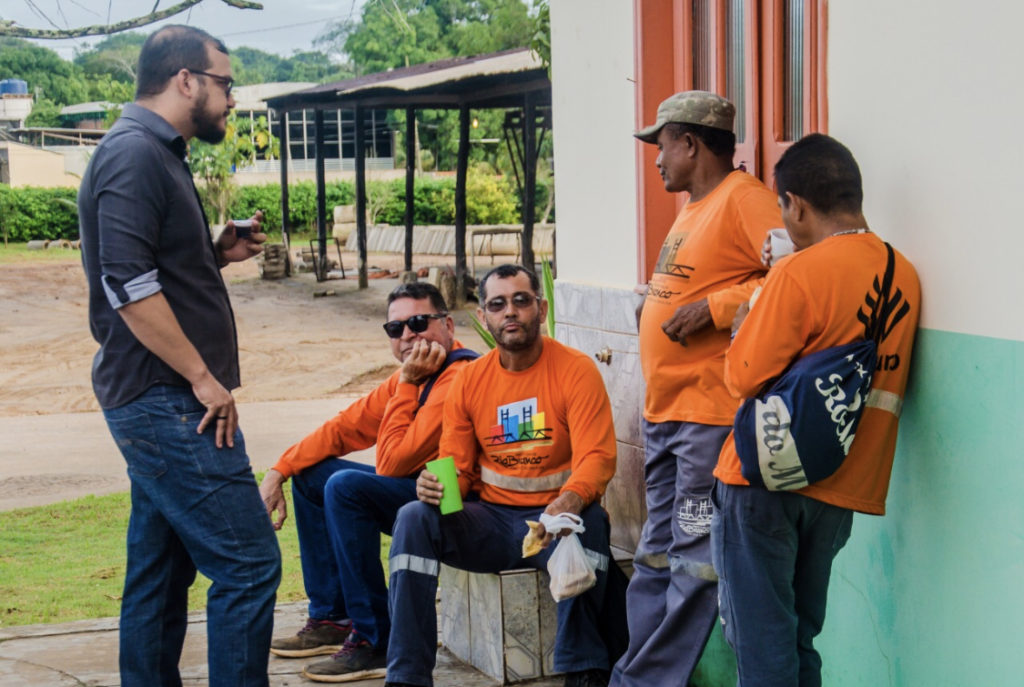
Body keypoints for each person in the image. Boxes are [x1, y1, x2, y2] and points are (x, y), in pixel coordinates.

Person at [78, 25, 281, 687]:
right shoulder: (133, 154)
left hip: (166, 400)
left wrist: (215, 251)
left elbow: (151, 269)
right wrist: (203, 377)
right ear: (186, 79)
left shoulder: (158, 152)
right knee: (249, 564)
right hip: (170, 400)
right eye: (225, 83)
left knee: (159, 575)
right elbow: (128, 286)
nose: (231, 99)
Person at [711, 133, 920, 686]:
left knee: (760, 648)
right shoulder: (905, 274)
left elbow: (742, 376)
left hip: (764, 485)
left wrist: (752, 307)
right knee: (799, 640)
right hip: (842, 484)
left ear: (795, 205)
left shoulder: (797, 274)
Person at [612, 91, 783, 687]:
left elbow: (793, 276)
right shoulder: (693, 208)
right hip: (666, 413)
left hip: (706, 416)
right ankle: (639, 669)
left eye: (661, 146)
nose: (656, 160)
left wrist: (716, 307)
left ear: (690, 143)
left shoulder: (747, 199)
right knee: (654, 558)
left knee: (692, 561)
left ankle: (640, 682)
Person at [380, 264, 617, 687]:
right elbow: (459, 468)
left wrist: (572, 499)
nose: (511, 312)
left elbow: (596, 457)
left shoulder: (576, 370)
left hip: (553, 523)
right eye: (498, 304)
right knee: (413, 517)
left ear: (541, 309)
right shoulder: (470, 379)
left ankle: (584, 670)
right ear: (485, 316)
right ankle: (407, 677)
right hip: (490, 524)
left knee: (592, 522)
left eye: (521, 301)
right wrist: (435, 486)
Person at [258, 282, 478, 681]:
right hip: (420, 490)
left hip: (458, 502)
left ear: (447, 324)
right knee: (311, 474)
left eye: (417, 322)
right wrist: (280, 470)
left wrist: (408, 382)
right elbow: (344, 427)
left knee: (346, 488)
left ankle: (375, 639)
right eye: (396, 329)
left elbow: (392, 464)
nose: (408, 335)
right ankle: (332, 617)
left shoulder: (456, 374)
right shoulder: (415, 374)